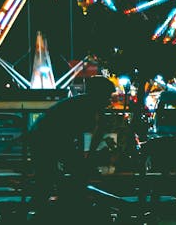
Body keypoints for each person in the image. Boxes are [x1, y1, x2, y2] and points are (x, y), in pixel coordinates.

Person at [27, 76, 117, 205]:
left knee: (55, 174)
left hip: (46, 135)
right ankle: (58, 201)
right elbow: (83, 135)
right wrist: (86, 159)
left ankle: (51, 201)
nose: (108, 101)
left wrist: (86, 158)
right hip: (45, 137)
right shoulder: (85, 106)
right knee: (49, 177)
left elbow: (94, 133)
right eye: (107, 96)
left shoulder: (85, 104)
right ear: (99, 95)